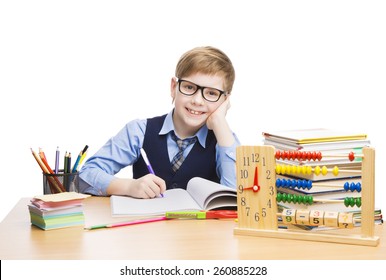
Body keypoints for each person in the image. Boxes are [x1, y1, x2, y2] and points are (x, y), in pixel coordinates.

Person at [78, 46, 240, 198]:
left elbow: (237, 197)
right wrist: (128, 187)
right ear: (173, 87)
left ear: (225, 100)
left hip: (202, 229)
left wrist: (220, 122)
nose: (197, 100)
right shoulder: (139, 131)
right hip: (144, 226)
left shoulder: (225, 142)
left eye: (212, 93)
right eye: (189, 88)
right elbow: (86, 175)